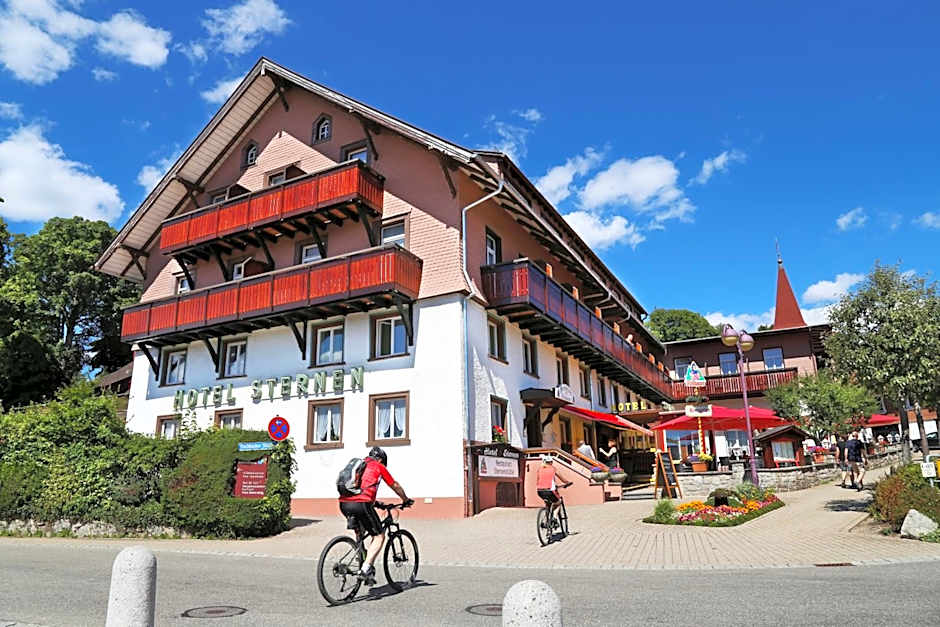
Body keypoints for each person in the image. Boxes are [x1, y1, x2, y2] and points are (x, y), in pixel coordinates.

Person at [338, 447, 413, 585]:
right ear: (380, 460)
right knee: (379, 536)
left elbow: (360, 489)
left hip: (344, 504)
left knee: (362, 531)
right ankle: (365, 568)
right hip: (361, 504)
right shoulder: (378, 466)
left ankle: (362, 557)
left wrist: (376, 503)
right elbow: (394, 485)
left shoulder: (360, 465)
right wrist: (405, 499)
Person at [536, 455, 573, 521]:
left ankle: (547, 521)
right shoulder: (553, 469)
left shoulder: (539, 469)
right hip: (550, 490)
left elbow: (540, 480)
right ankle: (554, 518)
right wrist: (568, 482)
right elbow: (563, 479)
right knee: (558, 502)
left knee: (548, 503)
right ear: (551, 462)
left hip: (539, 491)